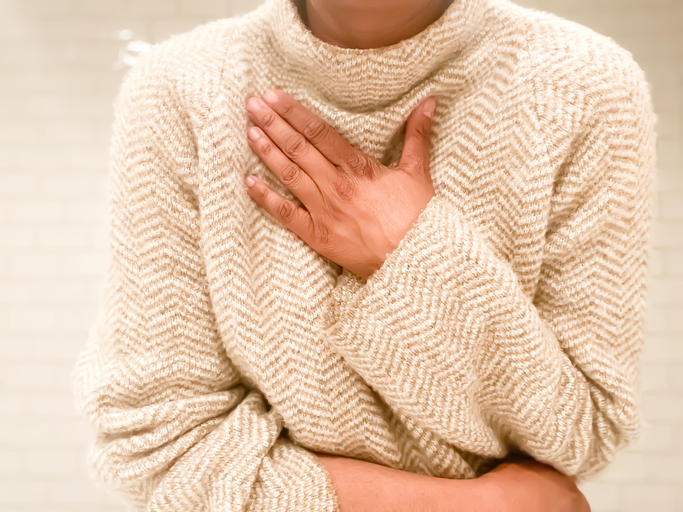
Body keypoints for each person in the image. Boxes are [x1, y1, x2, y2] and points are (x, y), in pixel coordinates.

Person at [72, 0, 656, 510]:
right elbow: (157, 451)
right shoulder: (181, 89)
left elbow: (585, 427)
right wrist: (477, 507)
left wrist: (403, 249)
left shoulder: (584, 86)